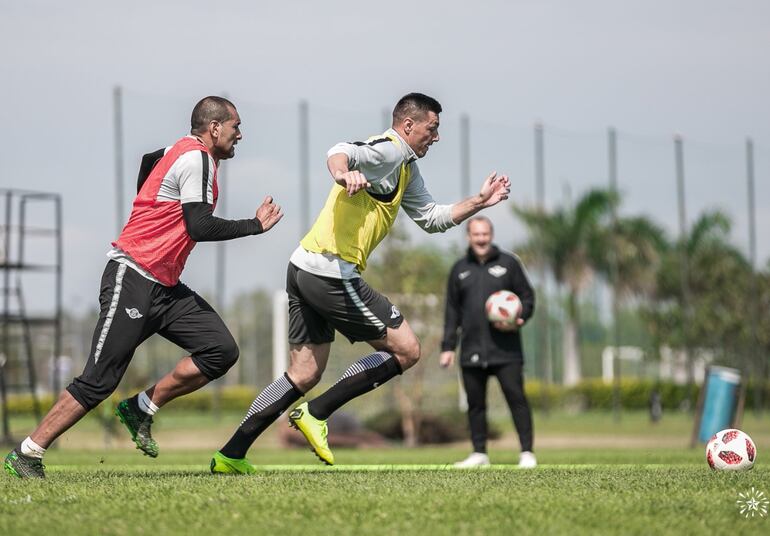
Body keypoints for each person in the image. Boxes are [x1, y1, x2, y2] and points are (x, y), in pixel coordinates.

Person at [210, 92, 511, 473]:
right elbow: (341, 151)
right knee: (408, 350)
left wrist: (479, 202)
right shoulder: (388, 150)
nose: (435, 137)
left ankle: (231, 454)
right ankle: (316, 414)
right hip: (331, 273)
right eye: (431, 129)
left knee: (303, 372)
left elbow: (433, 218)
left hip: (303, 267)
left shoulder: (405, 168)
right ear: (408, 126)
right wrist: (341, 172)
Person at [4, 96, 283, 479]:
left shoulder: (179, 151)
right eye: (236, 127)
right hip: (133, 277)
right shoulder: (197, 158)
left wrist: (148, 204)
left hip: (165, 288)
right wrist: (254, 225)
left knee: (220, 350)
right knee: (98, 381)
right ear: (214, 128)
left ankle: (141, 408)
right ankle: (27, 452)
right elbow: (199, 226)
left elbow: (150, 160)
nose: (240, 135)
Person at [440, 216, 536, 468]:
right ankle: (479, 453)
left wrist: (520, 318)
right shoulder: (460, 269)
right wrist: (448, 347)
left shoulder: (509, 264)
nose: (481, 239)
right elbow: (452, 311)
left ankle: (527, 453)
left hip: (507, 351)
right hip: (471, 349)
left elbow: (527, 297)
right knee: (475, 404)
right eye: (476, 234)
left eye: (485, 234)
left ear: (491, 235)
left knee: (517, 399)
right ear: (468, 237)